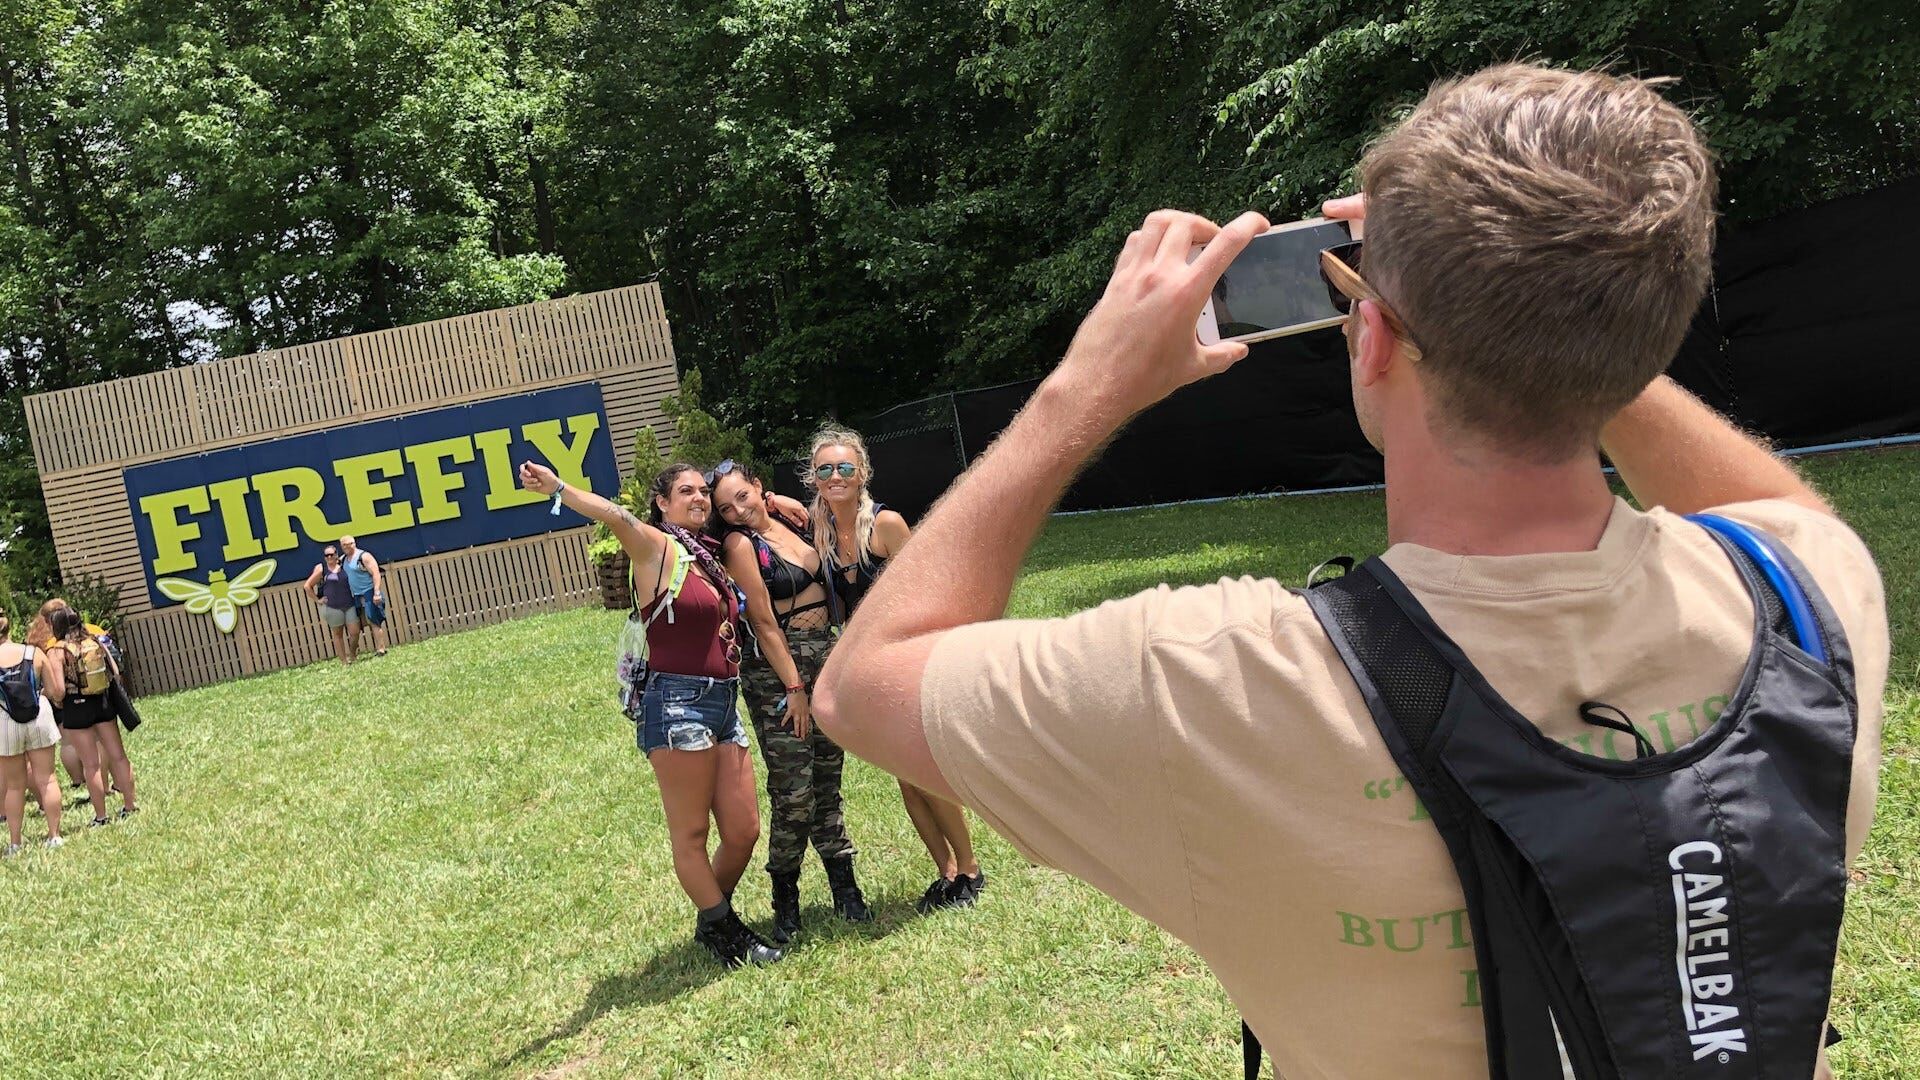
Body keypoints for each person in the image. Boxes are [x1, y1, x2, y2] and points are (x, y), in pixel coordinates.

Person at [815, 64, 1888, 1078]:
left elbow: (862, 685)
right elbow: (1780, 510)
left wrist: (1085, 385)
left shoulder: (1218, 681)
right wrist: (1572, 317)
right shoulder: (1810, 598)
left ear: (1369, 336)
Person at [521, 459, 782, 968]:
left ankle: (712, 915)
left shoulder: (707, 554)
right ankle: (728, 934)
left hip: (723, 701)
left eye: (703, 492)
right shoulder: (655, 547)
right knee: (691, 833)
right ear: (662, 503)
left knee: (744, 829)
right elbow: (617, 517)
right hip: (677, 702)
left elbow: (758, 510)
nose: (700, 498)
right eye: (686, 492)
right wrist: (558, 488)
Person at [808, 426, 984, 912]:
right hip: (864, 671)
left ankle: (969, 870)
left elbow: (925, 593)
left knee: (925, 770)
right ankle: (946, 873)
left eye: (845, 467)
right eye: (826, 470)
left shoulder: (886, 525)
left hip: (905, 660)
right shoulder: (818, 532)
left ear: (862, 472)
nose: (836, 476)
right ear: (815, 479)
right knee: (905, 777)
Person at [709, 459, 871, 942]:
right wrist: (794, 690)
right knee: (794, 791)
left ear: (759, 488)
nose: (738, 510)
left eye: (744, 496)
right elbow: (762, 622)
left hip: (827, 659)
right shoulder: (740, 545)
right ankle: (786, 896)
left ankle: (845, 887)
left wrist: (781, 504)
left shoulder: (791, 521)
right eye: (725, 507)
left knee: (827, 777)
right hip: (780, 675)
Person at [46, 607, 139, 827]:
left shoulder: (57, 651)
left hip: (76, 708)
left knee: (91, 765)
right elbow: (115, 671)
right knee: (119, 756)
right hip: (103, 702)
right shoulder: (95, 641)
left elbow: (58, 690)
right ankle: (130, 805)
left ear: (57, 626)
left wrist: (56, 698)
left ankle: (101, 816)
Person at [0, 612, 64, 856]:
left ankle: (15, 843)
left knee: (14, 786)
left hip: (5, 722)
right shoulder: (34, 653)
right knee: (47, 779)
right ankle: (55, 835)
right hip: (38, 717)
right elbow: (56, 691)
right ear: (9, 629)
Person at [26, 598, 86, 788]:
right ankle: (91, 774)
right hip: (72, 689)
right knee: (87, 738)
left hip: (48, 694)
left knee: (67, 741)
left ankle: (77, 780)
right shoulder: (62, 637)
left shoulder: (34, 640)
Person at [304, 543, 361, 665]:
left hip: (349, 604)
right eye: (327, 555)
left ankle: (352, 654)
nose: (329, 557)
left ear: (336, 555)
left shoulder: (344, 565)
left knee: (355, 632)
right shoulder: (321, 569)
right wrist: (317, 600)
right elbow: (307, 586)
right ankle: (344, 661)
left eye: (332, 554)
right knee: (338, 634)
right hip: (332, 607)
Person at [339, 535, 390, 657]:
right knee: (358, 625)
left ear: (354, 543)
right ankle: (352, 655)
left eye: (349, 544)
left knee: (374, 621)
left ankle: (381, 649)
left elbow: (376, 573)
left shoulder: (364, 556)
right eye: (343, 545)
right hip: (355, 595)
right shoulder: (343, 560)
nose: (346, 547)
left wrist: (376, 592)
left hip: (369, 592)